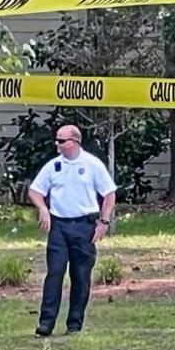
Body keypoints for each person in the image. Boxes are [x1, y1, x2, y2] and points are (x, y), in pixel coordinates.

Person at [27, 124, 116, 337]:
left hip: (84, 226)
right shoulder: (53, 166)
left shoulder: (92, 165)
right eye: (57, 140)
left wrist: (103, 222)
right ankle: (46, 323)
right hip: (59, 226)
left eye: (61, 141)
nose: (57, 145)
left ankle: (74, 323)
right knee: (55, 273)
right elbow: (35, 191)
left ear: (74, 142)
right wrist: (43, 210)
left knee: (81, 275)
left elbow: (109, 194)